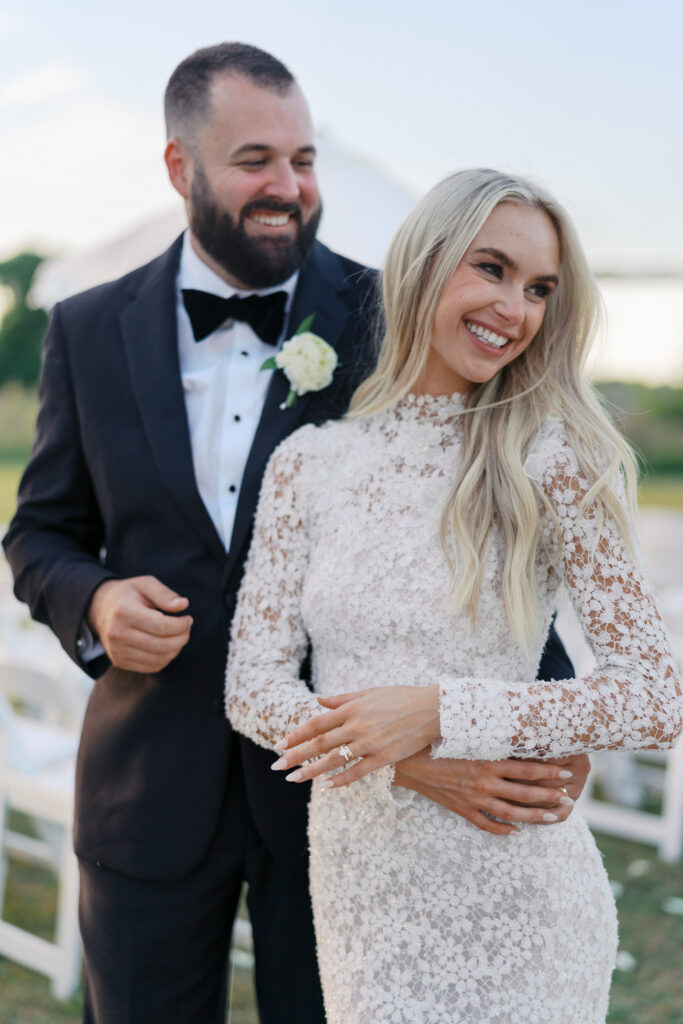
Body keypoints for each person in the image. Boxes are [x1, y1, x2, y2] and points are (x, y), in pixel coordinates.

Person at [3, 43, 585, 1024]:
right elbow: (39, 532)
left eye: (304, 160)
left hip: (349, 804)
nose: (288, 187)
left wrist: (546, 701)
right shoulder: (87, 328)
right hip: (148, 789)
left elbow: (472, 516)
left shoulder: (392, 314)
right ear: (180, 167)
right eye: (255, 161)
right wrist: (93, 599)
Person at [225, 167, 683, 1024]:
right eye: (492, 269)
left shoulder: (551, 458)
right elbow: (251, 686)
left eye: (540, 288)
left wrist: (440, 711)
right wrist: (407, 757)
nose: (516, 309)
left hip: (515, 896)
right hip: (362, 889)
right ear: (422, 266)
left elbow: (656, 698)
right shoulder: (308, 465)